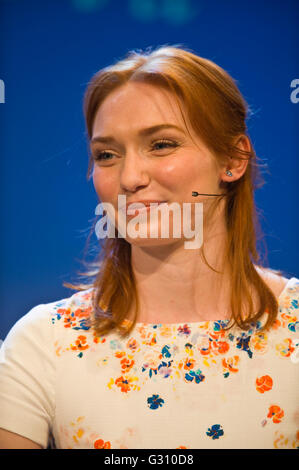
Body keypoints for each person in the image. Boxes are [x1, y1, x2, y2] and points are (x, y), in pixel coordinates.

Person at [0, 45, 298, 450]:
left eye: (161, 145)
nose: (130, 177)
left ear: (233, 158)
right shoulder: (43, 342)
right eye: (107, 155)